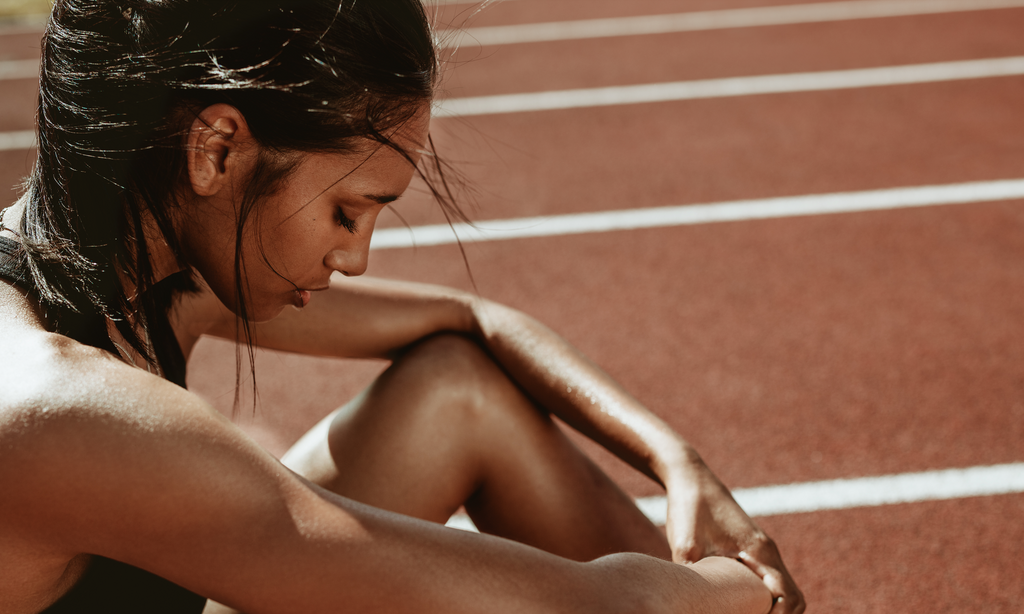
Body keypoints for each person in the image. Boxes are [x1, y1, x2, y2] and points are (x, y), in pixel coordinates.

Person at [0, 1, 804, 613]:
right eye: (347, 211)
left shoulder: (136, 273)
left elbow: (472, 322)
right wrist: (745, 587)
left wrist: (676, 462)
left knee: (457, 390)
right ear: (215, 149)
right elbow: (596, 608)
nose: (354, 257)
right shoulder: (55, 408)